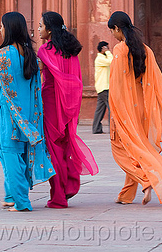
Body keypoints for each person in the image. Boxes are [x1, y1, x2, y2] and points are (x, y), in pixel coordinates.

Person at [0, 12, 55, 211]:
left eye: (2, 26)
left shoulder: (2, 55)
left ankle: (22, 202)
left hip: (8, 114)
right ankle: (11, 195)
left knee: (8, 154)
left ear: (8, 29)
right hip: (27, 114)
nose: (0, 30)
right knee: (19, 155)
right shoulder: (30, 55)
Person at [108, 11, 162, 205]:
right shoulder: (145, 49)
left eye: (112, 31)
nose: (113, 35)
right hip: (141, 109)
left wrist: (114, 112)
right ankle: (126, 195)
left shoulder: (119, 50)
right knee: (136, 148)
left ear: (117, 29)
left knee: (120, 150)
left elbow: (116, 85)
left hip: (124, 108)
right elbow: (155, 82)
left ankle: (146, 180)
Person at [37, 11, 98, 208]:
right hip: (68, 104)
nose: (38, 29)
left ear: (49, 29)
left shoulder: (45, 50)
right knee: (64, 146)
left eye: (40, 26)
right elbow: (75, 79)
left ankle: (58, 197)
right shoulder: (69, 50)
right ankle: (69, 186)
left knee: (53, 150)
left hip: (51, 103)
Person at [92, 41, 113, 134]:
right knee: (111, 108)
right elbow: (112, 61)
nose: (108, 49)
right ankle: (113, 128)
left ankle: (96, 129)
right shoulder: (100, 59)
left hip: (102, 87)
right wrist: (108, 52)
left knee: (100, 109)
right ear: (103, 48)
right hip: (104, 87)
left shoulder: (102, 58)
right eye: (107, 47)